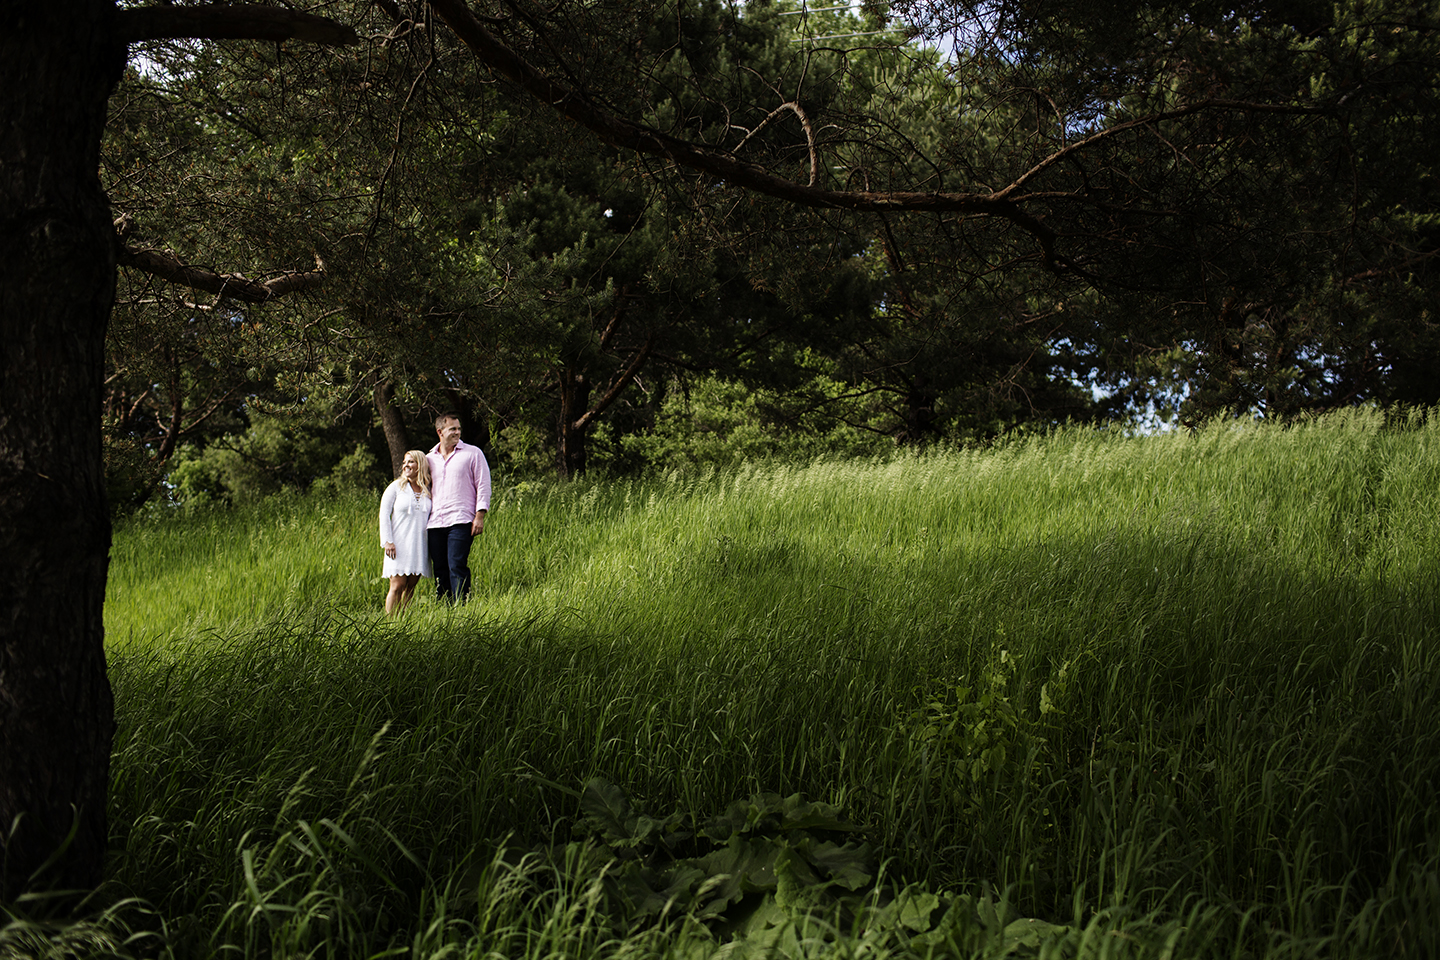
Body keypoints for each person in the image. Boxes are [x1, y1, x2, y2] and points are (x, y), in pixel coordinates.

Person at [425, 412, 491, 604]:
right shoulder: (429, 459)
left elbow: (483, 484)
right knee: (440, 568)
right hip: (435, 522)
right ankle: (443, 607)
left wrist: (479, 516)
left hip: (461, 520)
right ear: (440, 431)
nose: (457, 432)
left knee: (456, 564)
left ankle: (461, 608)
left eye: (459, 428)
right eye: (452, 428)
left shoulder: (473, 453)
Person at [379, 450, 433, 615]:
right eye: (404, 462)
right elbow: (384, 513)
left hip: (418, 545)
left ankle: (402, 623)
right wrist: (387, 541)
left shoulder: (428, 491)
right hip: (398, 544)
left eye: (410, 462)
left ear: (420, 465)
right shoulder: (396, 487)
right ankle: (390, 624)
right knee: (397, 585)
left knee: (410, 587)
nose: (406, 465)